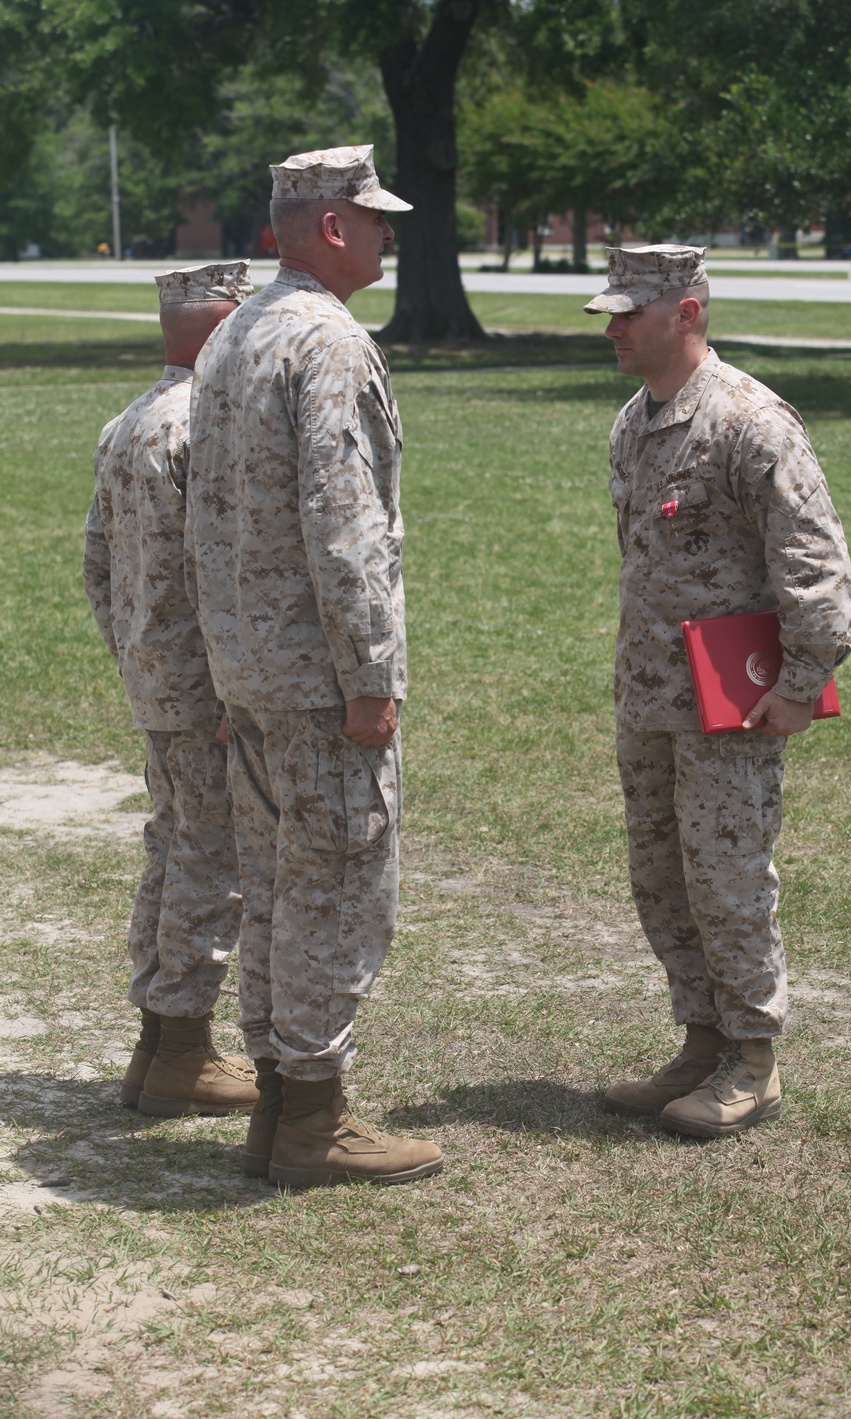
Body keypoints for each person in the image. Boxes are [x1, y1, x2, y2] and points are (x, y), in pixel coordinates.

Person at [185, 146, 443, 1187]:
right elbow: (345, 528)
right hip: (315, 681)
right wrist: (372, 675)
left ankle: (281, 1107)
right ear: (332, 226)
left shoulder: (232, 335)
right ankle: (315, 1120)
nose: (388, 233)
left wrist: (218, 667)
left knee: (275, 891)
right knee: (334, 889)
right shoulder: (326, 342)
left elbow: (199, 516)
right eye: (375, 218)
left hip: (249, 675)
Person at [585, 245, 851, 1138]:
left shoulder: (749, 421)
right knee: (662, 876)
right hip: (652, 694)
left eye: (631, 311)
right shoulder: (634, 420)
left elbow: (814, 563)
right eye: (611, 312)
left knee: (728, 875)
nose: (614, 327)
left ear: (688, 311)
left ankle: (753, 1059)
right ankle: (700, 1040)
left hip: (733, 703)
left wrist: (801, 681)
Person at [83, 261, 259, 1119]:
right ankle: (183, 1045)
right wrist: (232, 684)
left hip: (155, 678)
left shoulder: (126, 424)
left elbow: (96, 566)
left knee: (171, 842)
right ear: (225, 325)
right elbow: (218, 568)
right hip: (208, 689)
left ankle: (157, 1041)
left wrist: (134, 651)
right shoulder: (206, 425)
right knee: (208, 856)